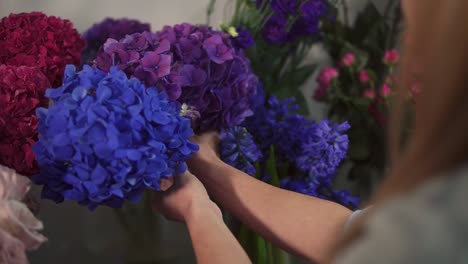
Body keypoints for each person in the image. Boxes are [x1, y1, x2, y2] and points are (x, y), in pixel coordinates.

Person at [153, 0, 468, 263]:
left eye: (418, 30)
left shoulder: (444, 222)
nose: (408, 47)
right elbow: (346, 232)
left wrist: (199, 213)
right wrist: (209, 167)